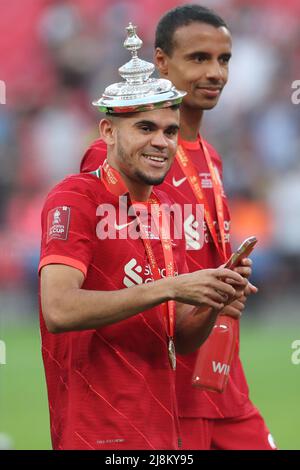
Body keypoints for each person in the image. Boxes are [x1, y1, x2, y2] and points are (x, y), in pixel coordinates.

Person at [39, 23, 247, 450]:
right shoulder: (75, 198)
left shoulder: (163, 212)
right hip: (95, 434)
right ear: (109, 133)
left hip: (162, 430)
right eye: (145, 128)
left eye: (170, 131)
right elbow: (58, 309)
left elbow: (180, 339)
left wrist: (211, 299)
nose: (162, 142)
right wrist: (171, 286)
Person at [79, 6, 276, 450]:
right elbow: (107, 274)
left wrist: (227, 279)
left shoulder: (212, 155)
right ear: (162, 62)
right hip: (164, 386)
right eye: (199, 58)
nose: (215, 73)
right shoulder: (117, 157)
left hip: (220, 375)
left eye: (224, 59)